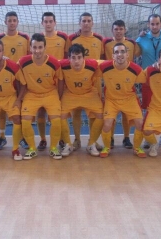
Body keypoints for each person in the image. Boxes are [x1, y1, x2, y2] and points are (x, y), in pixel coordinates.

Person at [99, 43, 155, 158]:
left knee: (140, 123)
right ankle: (106, 147)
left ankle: (137, 147)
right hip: (112, 100)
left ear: (127, 54)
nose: (120, 54)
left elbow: (149, 79)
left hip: (129, 99)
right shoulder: (104, 66)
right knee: (107, 124)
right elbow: (89, 63)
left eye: (122, 52)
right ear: (113, 56)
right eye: (116, 52)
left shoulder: (135, 69)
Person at [18, 33, 64, 160]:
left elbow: (60, 80)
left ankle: (53, 148)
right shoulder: (22, 62)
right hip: (31, 94)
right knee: (25, 121)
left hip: (50, 93)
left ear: (45, 47)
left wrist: (58, 97)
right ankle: (32, 148)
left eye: (40, 47)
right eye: (34, 47)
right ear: (30, 47)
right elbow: (15, 74)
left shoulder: (54, 63)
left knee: (56, 120)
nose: (37, 51)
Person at [67, 12, 104, 150]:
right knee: (75, 112)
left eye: (89, 20)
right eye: (84, 21)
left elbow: (102, 59)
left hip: (95, 81)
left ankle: (92, 140)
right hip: (76, 80)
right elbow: (69, 57)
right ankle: (77, 139)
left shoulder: (100, 39)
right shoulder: (72, 38)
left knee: (93, 113)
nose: (86, 23)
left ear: (92, 23)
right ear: (79, 23)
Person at [136, 14, 161, 148]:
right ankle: (149, 137)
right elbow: (133, 52)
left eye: (157, 24)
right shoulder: (141, 38)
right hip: (147, 79)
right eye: (152, 24)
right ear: (148, 25)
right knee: (147, 109)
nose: (155, 26)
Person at [102, 19, 141, 149]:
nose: (118, 31)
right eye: (116, 29)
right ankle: (111, 138)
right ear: (112, 30)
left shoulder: (131, 43)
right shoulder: (106, 42)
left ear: (125, 30)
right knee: (110, 116)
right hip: (111, 79)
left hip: (127, 81)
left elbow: (138, 54)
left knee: (126, 113)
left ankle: (126, 137)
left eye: (121, 29)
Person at [60, 44, 104, 157]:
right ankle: (68, 144)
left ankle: (91, 143)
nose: (76, 61)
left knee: (101, 114)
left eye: (79, 57)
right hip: (71, 94)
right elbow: (45, 61)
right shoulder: (62, 65)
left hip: (89, 93)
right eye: (73, 58)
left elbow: (111, 63)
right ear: (68, 58)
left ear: (84, 58)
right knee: (59, 115)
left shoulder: (93, 64)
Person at [0, 11, 30, 151]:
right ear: (5, 22)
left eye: (14, 20)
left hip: (20, 77)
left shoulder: (25, 37)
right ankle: (2, 137)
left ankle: (22, 137)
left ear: (17, 22)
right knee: (2, 109)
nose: (12, 23)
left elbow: (29, 57)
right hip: (3, 77)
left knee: (19, 107)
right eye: (9, 20)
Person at [37, 12, 69, 151]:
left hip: (59, 80)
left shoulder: (63, 37)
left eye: (51, 21)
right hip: (41, 81)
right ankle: (43, 139)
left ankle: (61, 138)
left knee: (58, 112)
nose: (48, 24)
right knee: (41, 112)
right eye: (46, 21)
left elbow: (68, 58)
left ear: (55, 22)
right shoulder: (38, 39)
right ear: (42, 23)